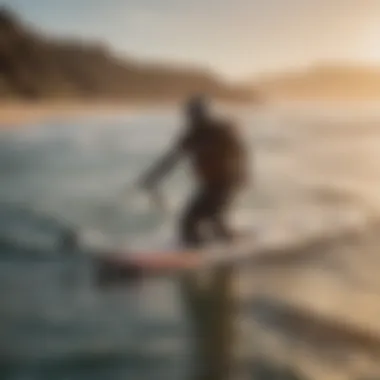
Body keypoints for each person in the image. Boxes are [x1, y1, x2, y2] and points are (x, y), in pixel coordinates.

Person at [138, 95, 248, 247]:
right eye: (191, 115)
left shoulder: (220, 131)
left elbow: (240, 152)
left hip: (226, 181)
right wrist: (152, 178)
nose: (193, 119)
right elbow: (171, 159)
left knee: (207, 218)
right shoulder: (191, 136)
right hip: (210, 184)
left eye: (196, 115)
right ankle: (202, 246)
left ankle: (223, 247)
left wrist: (242, 173)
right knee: (192, 221)